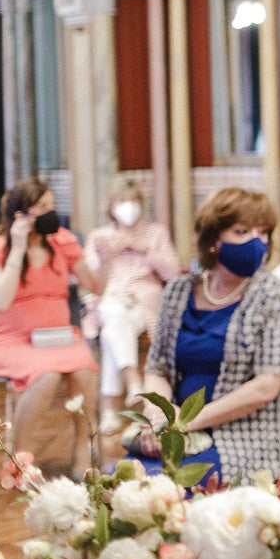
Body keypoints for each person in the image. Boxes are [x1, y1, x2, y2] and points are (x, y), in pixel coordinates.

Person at [129, 187, 280, 485]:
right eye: (242, 231)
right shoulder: (178, 291)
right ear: (212, 239)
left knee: (159, 492)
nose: (256, 242)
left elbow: (266, 387)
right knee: (119, 487)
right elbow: (157, 367)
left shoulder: (276, 297)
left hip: (243, 435)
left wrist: (185, 422)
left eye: (263, 233)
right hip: (175, 428)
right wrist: (157, 414)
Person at [0, 179, 104, 477]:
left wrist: (95, 255)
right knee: (46, 375)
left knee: (84, 370)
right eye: (43, 208)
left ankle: (81, 451)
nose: (52, 214)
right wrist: (18, 249)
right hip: (11, 341)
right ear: (21, 215)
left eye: (53, 206)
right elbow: (0, 298)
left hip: (60, 337)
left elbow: (95, 285)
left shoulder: (61, 242)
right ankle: (20, 458)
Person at [81, 180, 181, 434]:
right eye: (122, 200)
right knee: (113, 315)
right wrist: (108, 257)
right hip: (109, 299)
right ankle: (134, 381)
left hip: (143, 305)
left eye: (134, 200)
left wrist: (145, 250)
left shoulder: (155, 233)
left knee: (112, 330)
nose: (129, 206)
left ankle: (109, 410)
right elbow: (89, 282)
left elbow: (173, 272)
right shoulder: (99, 237)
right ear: (111, 207)